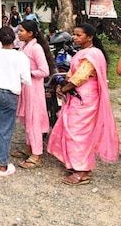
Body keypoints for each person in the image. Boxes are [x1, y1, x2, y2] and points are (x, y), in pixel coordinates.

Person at [47, 23, 119, 185]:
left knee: (79, 133)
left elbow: (81, 76)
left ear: (90, 37)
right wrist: (62, 85)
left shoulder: (92, 54)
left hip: (85, 100)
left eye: (79, 35)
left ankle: (83, 170)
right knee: (73, 129)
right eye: (74, 34)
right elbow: (73, 73)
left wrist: (65, 88)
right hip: (78, 97)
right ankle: (76, 164)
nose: (75, 37)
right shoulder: (84, 52)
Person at [0, 26, 32, 177]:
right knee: (5, 128)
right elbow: (25, 78)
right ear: (14, 38)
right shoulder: (21, 56)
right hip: (9, 92)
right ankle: (3, 165)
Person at [15, 20, 55, 169]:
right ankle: (29, 149)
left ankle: (36, 155)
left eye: (22, 31)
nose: (19, 33)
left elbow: (44, 71)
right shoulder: (24, 46)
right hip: (25, 88)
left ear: (31, 33)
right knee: (27, 120)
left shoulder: (36, 48)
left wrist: (27, 73)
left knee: (34, 121)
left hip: (33, 90)